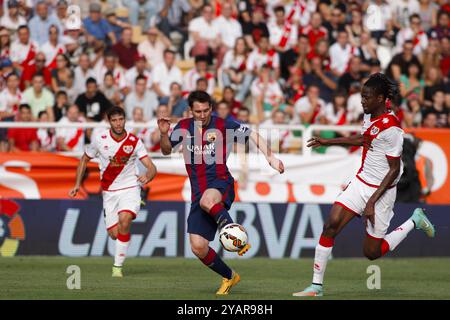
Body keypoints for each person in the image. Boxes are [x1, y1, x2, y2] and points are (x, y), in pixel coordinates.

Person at [293, 73, 435, 297]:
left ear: (380, 98)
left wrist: (371, 202)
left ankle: (414, 221)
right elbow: (364, 139)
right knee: (331, 225)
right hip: (360, 181)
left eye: (366, 97)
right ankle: (316, 287)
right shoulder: (369, 115)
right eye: (362, 96)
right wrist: (327, 141)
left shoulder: (393, 128)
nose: (362, 101)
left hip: (382, 191)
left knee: (372, 253)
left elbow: (394, 170)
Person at [157, 91, 284, 295]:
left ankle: (236, 237)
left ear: (211, 108)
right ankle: (230, 276)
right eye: (198, 111)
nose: (202, 114)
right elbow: (165, 150)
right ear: (191, 110)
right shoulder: (183, 127)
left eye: (206, 110)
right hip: (198, 193)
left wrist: (271, 158)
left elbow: (253, 135)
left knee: (209, 199)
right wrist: (164, 134)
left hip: (221, 183)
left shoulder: (223, 125)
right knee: (198, 246)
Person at [69, 106, 157, 277]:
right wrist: (77, 184)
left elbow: (151, 166)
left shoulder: (134, 141)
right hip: (109, 192)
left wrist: (149, 175)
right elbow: (84, 159)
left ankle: (117, 268)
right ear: (109, 122)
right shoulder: (100, 140)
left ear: (125, 120)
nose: (118, 123)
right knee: (114, 234)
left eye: (121, 119)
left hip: (130, 187)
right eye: (114, 120)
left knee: (125, 219)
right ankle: (126, 216)